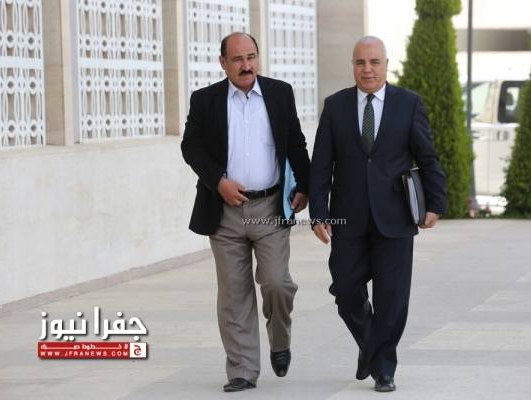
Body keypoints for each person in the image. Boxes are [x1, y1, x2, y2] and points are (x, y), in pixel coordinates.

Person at [308, 36, 446, 392]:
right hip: (347, 217)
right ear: (353, 66)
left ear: (386, 64)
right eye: (360, 63)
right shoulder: (335, 106)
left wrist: (436, 202)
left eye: (373, 62)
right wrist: (318, 213)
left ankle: (383, 368)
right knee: (345, 289)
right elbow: (321, 165)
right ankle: (372, 346)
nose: (367, 69)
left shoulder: (408, 104)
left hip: (395, 216)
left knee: (392, 298)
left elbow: (427, 156)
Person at [181, 32, 310, 392]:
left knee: (277, 282)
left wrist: (305, 186)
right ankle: (242, 369)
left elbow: (295, 142)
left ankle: (280, 341)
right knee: (234, 294)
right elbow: (190, 146)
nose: (246, 65)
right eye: (237, 59)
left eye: (251, 56)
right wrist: (217, 181)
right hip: (224, 210)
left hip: (269, 207)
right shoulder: (205, 100)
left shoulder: (280, 93)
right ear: (222, 63)